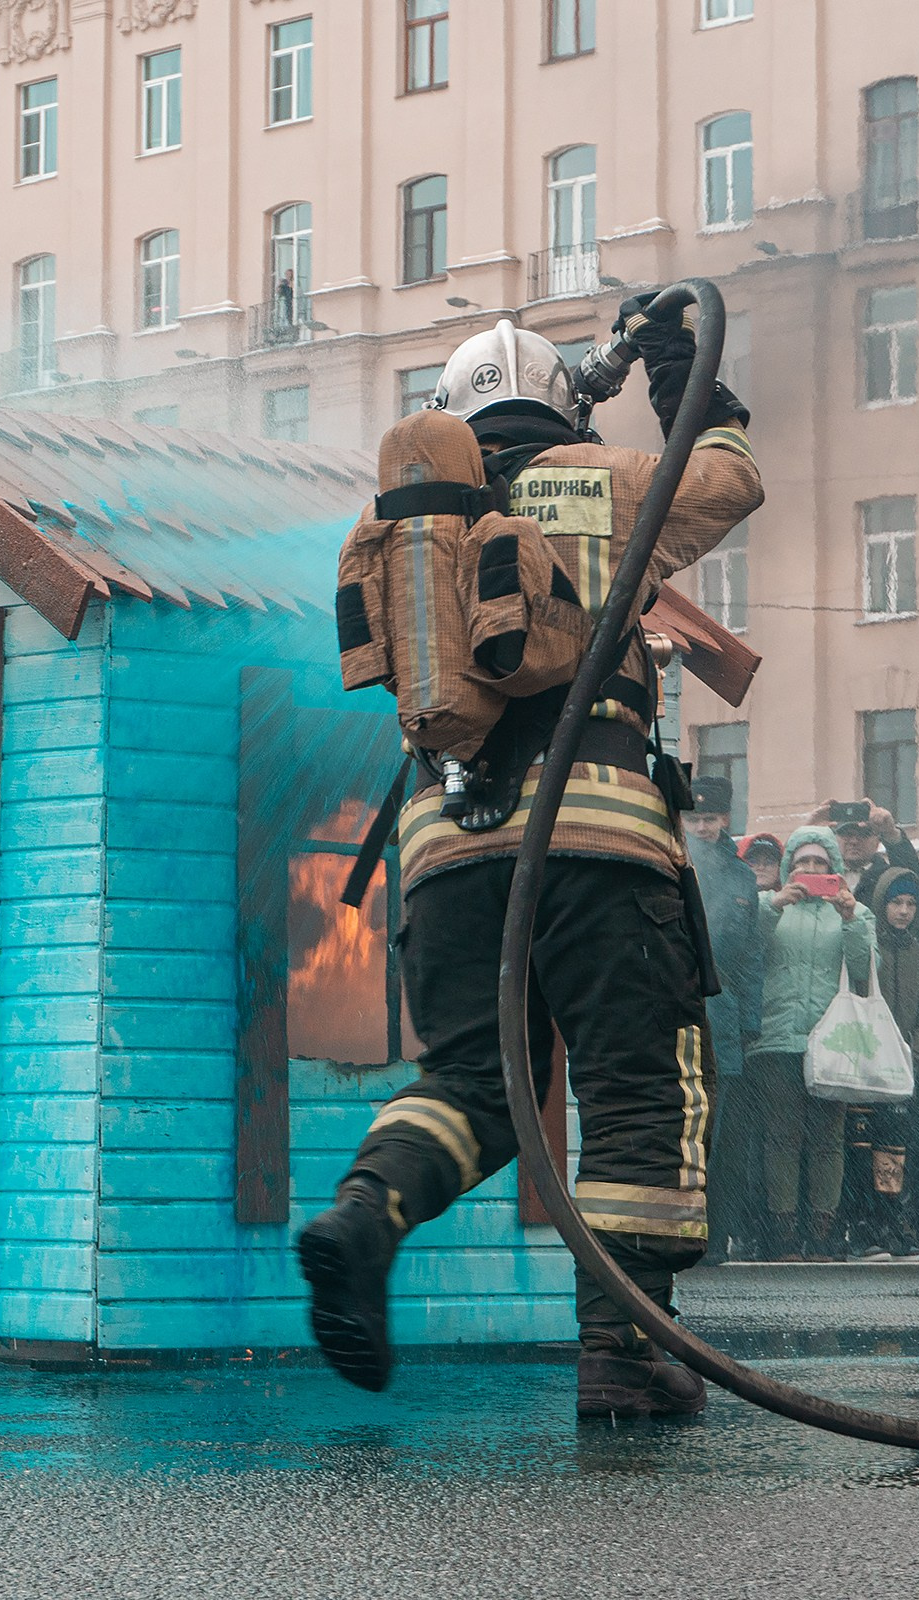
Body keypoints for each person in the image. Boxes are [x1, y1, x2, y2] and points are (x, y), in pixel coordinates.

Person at [300, 303, 762, 1419]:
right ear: (565, 404)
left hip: (444, 849)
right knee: (634, 1083)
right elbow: (730, 474)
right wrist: (682, 371)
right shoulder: (608, 482)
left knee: (474, 1081)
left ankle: (366, 1211)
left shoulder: (406, 523)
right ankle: (624, 1350)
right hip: (598, 838)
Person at [744, 827, 875, 1260]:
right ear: (789, 868)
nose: (812, 870)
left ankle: (821, 1236)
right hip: (776, 1039)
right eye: (804, 863)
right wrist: (775, 906)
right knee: (782, 1139)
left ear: (834, 869)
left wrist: (852, 917)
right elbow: (746, 950)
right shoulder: (768, 905)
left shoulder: (855, 912)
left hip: (831, 1041)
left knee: (827, 1139)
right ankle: (783, 1237)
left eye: (821, 863)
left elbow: (863, 968)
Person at [683, 776, 765, 1261]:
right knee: (683, 1130)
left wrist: (750, 1018)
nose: (703, 827)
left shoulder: (740, 878)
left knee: (723, 1134)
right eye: (694, 818)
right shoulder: (673, 865)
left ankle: (714, 1236)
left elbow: (751, 955)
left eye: (710, 818)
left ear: (725, 820)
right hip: (680, 1015)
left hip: (726, 1020)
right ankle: (681, 1229)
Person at [851, 868, 919, 1260]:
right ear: (881, 904)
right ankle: (861, 1225)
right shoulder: (869, 950)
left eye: (910, 904)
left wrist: (915, 1051)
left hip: (902, 1067)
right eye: (896, 903)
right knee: (860, 1145)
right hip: (868, 1064)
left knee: (894, 1149)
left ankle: (891, 1222)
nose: (903, 911)